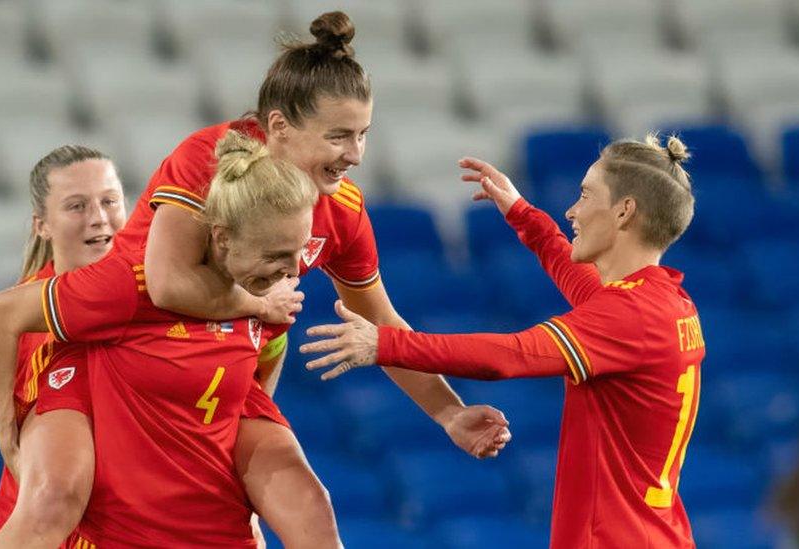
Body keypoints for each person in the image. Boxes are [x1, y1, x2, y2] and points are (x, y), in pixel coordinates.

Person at [0, 9, 510, 546]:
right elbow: (165, 284)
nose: (354, 154)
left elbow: (383, 320)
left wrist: (450, 413)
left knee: (311, 507)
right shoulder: (209, 163)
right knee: (52, 504)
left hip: (224, 363)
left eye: (363, 135)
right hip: (126, 341)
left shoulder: (342, 209)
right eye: (338, 136)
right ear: (277, 127)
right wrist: (259, 307)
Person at [301, 135, 705, 547]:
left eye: (585, 195)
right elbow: (576, 275)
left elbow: (512, 355)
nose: (572, 210)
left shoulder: (628, 316)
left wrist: (384, 344)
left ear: (624, 211)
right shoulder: (666, 302)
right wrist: (522, 213)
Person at [0, 132, 330, 546]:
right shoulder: (130, 285)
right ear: (222, 236)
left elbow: (260, 364)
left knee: (311, 503)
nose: (292, 271)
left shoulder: (266, 296)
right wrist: (6, 436)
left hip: (197, 497)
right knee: (53, 500)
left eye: (297, 252)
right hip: (124, 495)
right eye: (274, 255)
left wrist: (243, 484)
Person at [0, 145, 126, 547]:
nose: (99, 218)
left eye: (109, 201)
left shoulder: (162, 301)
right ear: (42, 225)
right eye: (77, 206)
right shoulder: (8, 324)